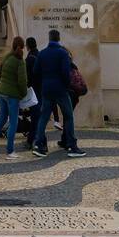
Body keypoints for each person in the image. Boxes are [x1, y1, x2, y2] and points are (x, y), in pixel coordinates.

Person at [31, 29, 85, 157]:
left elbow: (35, 71)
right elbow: (66, 73)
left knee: (43, 118)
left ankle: (38, 145)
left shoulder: (42, 53)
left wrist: (44, 82)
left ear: (49, 38)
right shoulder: (62, 53)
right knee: (68, 116)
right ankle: (72, 146)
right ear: (58, 38)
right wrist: (66, 86)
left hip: (46, 89)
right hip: (60, 90)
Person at [0, 36, 28, 159]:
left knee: (1, 119)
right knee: (13, 122)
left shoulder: (6, 57)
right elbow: (22, 81)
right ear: (22, 47)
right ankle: (10, 151)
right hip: (12, 95)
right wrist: (24, 94)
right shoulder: (20, 60)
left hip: (2, 92)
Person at [23, 36, 41, 150]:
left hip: (33, 90)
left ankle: (31, 140)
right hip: (41, 89)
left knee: (35, 117)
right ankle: (37, 140)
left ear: (27, 46)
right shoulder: (40, 55)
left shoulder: (29, 58)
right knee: (38, 117)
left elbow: (27, 76)